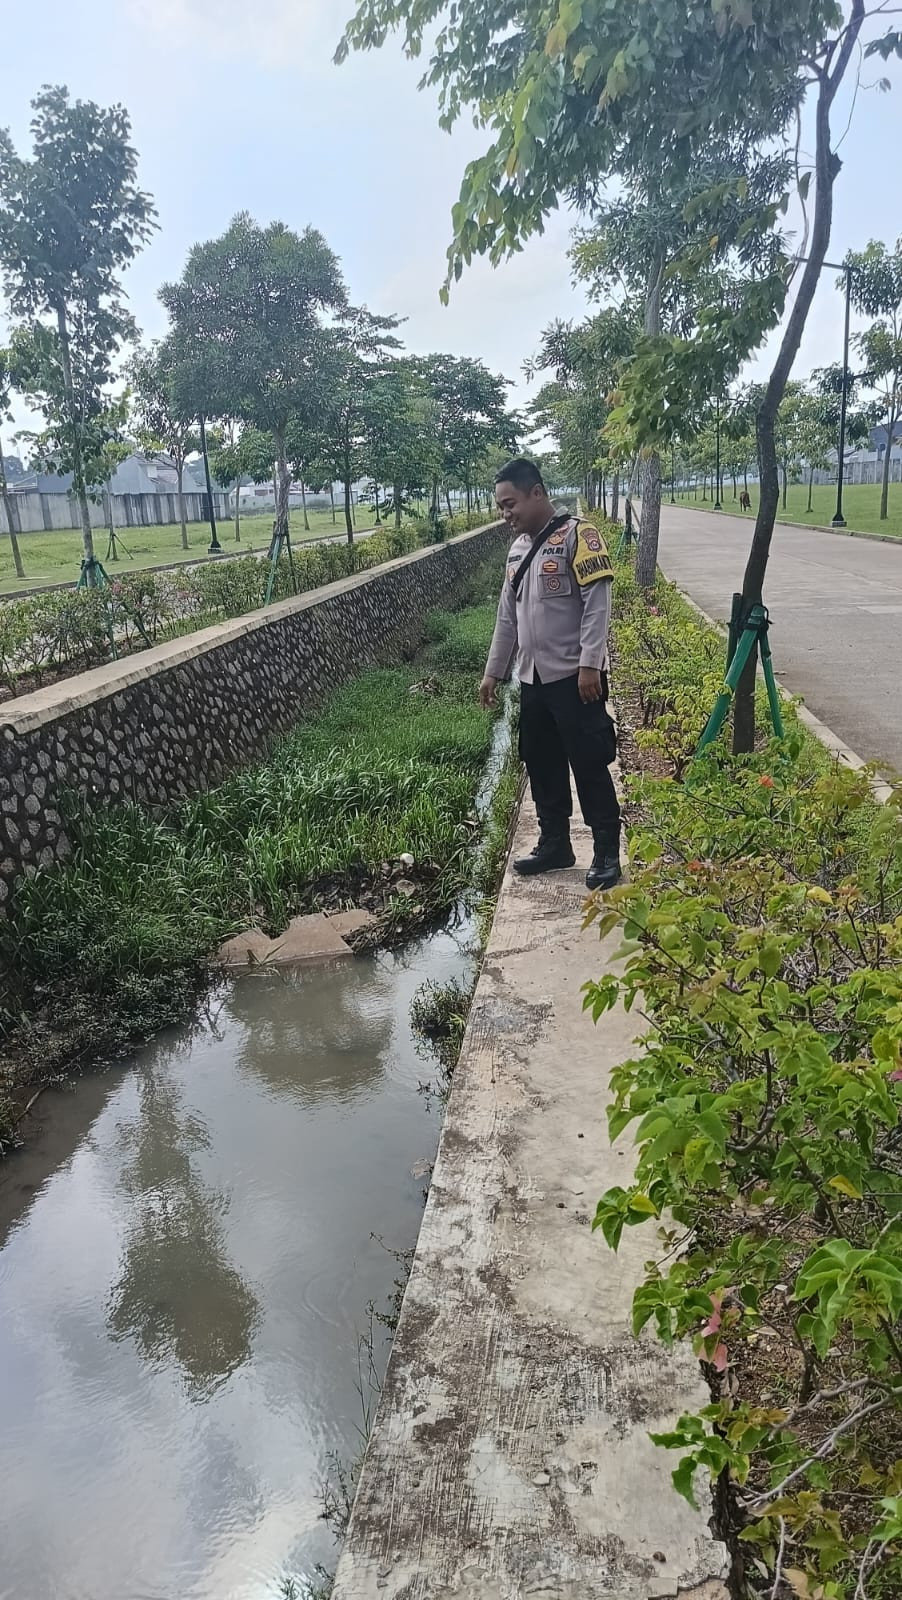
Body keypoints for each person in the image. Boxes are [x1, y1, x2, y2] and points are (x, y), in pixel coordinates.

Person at [479, 458, 622, 892]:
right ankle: (555, 844)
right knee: (542, 765)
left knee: (590, 765)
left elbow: (597, 606)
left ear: (537, 493)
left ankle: (606, 853)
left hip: (576, 679)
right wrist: (494, 672)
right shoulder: (518, 549)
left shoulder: (580, 536)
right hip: (533, 682)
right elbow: (508, 617)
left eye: (511, 504)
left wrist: (589, 664)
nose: (506, 514)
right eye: (501, 507)